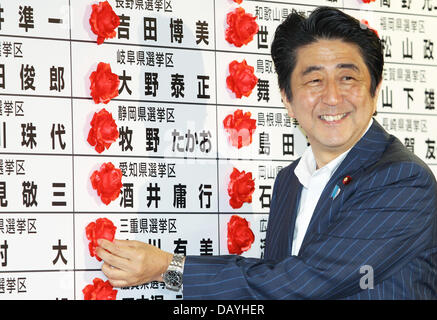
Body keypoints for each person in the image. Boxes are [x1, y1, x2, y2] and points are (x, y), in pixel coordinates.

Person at [96, 6, 437, 299]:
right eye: (314, 81)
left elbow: (306, 282)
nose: (332, 97)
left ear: (374, 90)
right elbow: (274, 277)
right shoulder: (290, 181)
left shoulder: (402, 180)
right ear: (287, 98)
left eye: (348, 78)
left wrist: (168, 269)